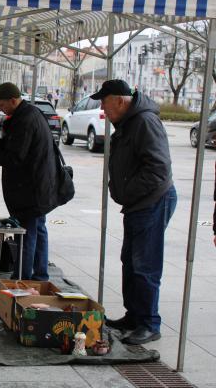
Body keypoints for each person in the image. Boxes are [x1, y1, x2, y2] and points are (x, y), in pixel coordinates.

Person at [91, 80, 177, 345]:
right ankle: (134, 316)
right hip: (139, 202)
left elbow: (158, 168)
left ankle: (149, 323)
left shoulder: (144, 122)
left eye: (104, 102)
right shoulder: (130, 122)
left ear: (119, 100)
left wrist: (127, 191)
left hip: (152, 201)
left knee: (145, 264)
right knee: (130, 260)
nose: (103, 109)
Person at [0, 82, 58, 281]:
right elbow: (16, 145)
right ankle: (40, 278)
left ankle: (21, 282)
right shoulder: (27, 114)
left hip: (31, 190)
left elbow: (15, 158)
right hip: (38, 187)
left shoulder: (25, 120)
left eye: (2, 104)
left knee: (25, 235)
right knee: (38, 231)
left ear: (13, 101)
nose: (0, 108)